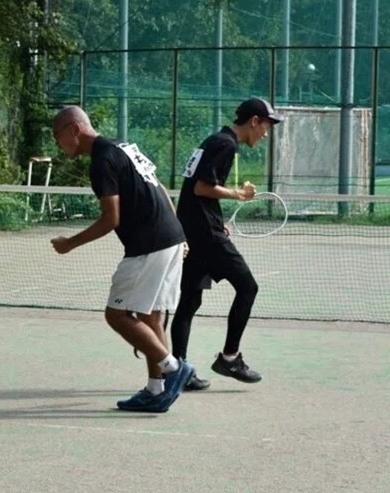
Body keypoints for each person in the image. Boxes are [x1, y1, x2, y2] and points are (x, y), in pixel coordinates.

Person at [49, 105, 194, 412]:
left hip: (149, 244)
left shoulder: (101, 160)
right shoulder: (124, 147)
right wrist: (179, 233)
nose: (57, 144)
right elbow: (159, 187)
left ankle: (172, 368)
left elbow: (110, 219)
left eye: (56, 136)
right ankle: (156, 390)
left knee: (116, 315)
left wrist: (69, 244)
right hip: (170, 238)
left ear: (74, 130)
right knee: (151, 317)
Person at [171, 97, 283, 390]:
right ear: (254, 121)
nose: (266, 133)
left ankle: (176, 369)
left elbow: (194, 191)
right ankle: (230, 357)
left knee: (189, 301)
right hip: (204, 235)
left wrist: (216, 219)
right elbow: (201, 187)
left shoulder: (214, 140)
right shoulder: (226, 145)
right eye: (266, 125)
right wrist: (238, 195)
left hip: (193, 230)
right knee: (248, 287)